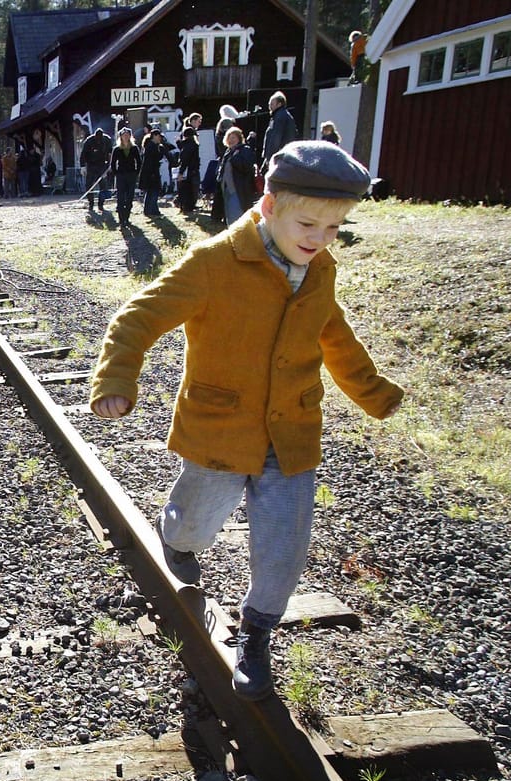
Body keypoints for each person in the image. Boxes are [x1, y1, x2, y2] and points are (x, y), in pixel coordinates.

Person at [88, 140, 403, 701]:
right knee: (193, 524)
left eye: (335, 228)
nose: (320, 239)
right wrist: (116, 381)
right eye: (309, 223)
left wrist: (373, 393)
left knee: (285, 544)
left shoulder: (318, 269)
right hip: (220, 432)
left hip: (292, 434)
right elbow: (138, 317)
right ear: (268, 205)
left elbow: (335, 338)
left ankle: (256, 633)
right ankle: (175, 540)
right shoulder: (214, 263)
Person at [215, 126, 258, 225]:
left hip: (238, 190)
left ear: (239, 138)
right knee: (229, 215)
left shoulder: (244, 150)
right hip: (226, 189)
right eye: (229, 137)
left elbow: (246, 167)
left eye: (233, 137)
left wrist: (235, 158)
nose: (231, 140)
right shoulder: (228, 152)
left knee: (237, 215)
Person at [109, 126, 142, 228]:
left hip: (131, 175)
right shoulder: (117, 149)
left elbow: (139, 161)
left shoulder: (134, 148)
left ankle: (127, 218)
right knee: (120, 197)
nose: (126, 137)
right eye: (124, 135)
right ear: (121, 137)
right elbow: (113, 163)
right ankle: (121, 219)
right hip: (121, 175)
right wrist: (116, 173)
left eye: (127, 135)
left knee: (129, 197)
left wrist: (136, 172)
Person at [261, 91, 298, 171]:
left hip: (279, 156)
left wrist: (270, 157)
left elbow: (275, 137)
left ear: (279, 104)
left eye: (272, 104)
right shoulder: (282, 116)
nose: (269, 107)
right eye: (269, 104)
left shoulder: (279, 117)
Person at [80, 127, 114, 212]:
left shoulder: (107, 140)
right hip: (91, 164)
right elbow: (83, 154)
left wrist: (110, 165)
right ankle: (91, 203)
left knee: (103, 185)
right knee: (89, 185)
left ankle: (100, 204)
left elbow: (111, 153)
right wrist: (82, 166)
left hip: (102, 164)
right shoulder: (89, 141)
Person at [138, 127, 167, 217]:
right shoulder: (152, 147)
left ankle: (151, 210)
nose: (160, 138)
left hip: (150, 172)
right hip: (151, 173)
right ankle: (151, 210)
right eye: (158, 136)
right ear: (154, 136)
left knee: (150, 192)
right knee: (153, 192)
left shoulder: (150, 146)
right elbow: (152, 160)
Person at [176, 125, 201, 214]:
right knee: (192, 190)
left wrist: (180, 172)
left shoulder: (186, 145)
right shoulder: (194, 144)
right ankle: (189, 207)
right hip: (193, 170)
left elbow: (184, 158)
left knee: (184, 189)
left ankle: (184, 206)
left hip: (187, 170)